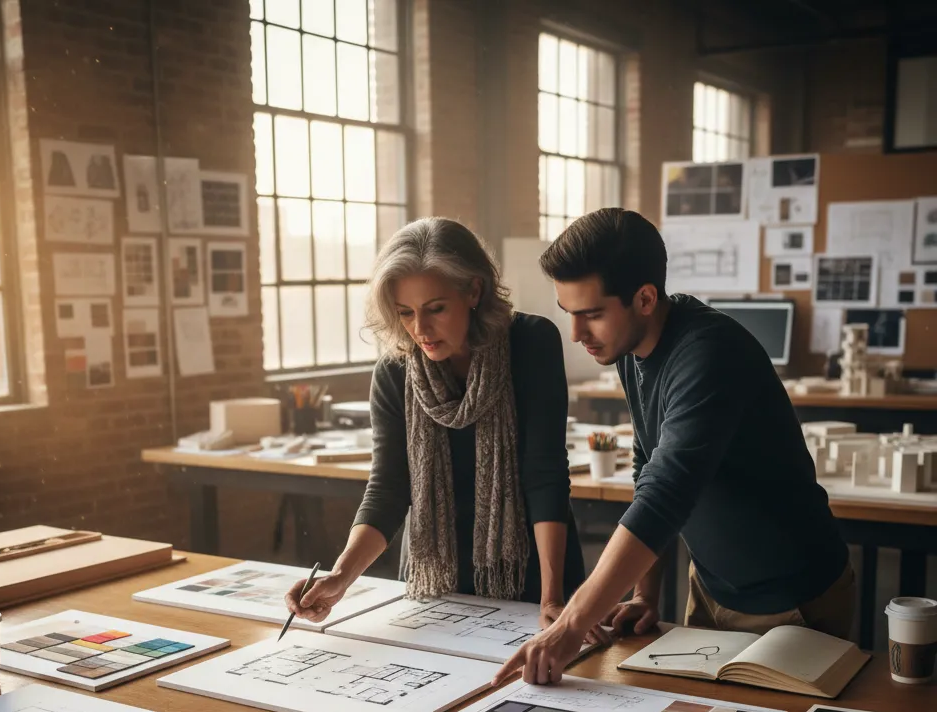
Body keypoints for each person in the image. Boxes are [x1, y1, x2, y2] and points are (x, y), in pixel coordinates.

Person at [492, 208, 855, 687]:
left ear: (644, 298)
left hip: (791, 602)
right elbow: (650, 468)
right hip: (710, 591)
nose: (576, 334)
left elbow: (666, 495)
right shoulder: (630, 349)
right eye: (569, 314)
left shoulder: (710, 353)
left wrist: (570, 624)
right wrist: (646, 594)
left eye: (592, 314)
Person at [284, 216, 586, 625]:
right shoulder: (395, 371)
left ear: (474, 290)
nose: (419, 329)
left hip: (531, 572)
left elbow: (545, 473)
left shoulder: (531, 343)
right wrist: (340, 577)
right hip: (434, 579)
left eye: (435, 309)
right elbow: (389, 488)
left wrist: (553, 598)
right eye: (405, 312)